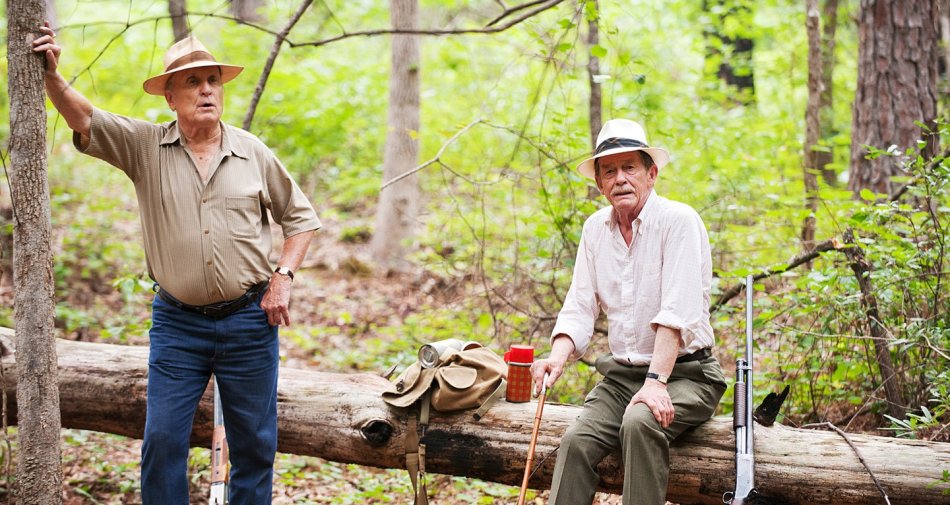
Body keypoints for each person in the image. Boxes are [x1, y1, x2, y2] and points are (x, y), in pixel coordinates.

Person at [33, 24, 322, 504]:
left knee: (255, 446)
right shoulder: (146, 147)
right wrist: (52, 78)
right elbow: (85, 118)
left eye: (213, 80)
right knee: (163, 440)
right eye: (193, 81)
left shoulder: (252, 152)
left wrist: (283, 278)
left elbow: (302, 220)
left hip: (250, 321)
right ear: (170, 97)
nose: (207, 89)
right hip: (178, 323)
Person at [531, 119, 726, 505]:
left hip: (688, 374)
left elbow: (677, 312)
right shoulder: (594, 230)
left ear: (651, 174)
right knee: (575, 442)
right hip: (622, 377)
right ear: (600, 183)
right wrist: (557, 357)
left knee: (640, 423)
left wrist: (656, 382)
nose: (620, 179)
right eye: (609, 171)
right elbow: (580, 304)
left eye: (629, 168)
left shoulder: (679, 222)